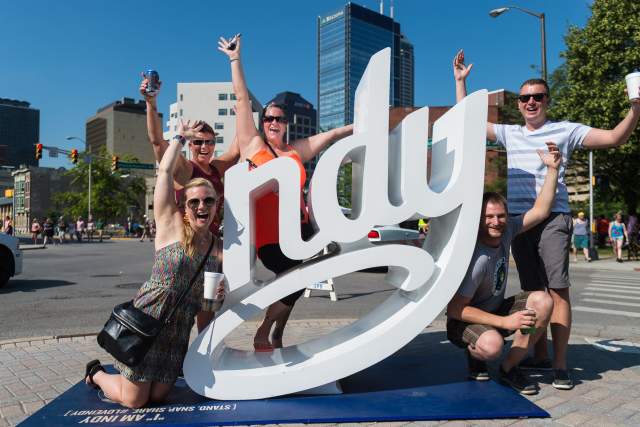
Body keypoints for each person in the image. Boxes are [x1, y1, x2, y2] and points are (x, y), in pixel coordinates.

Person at [454, 49, 640, 390]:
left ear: (547, 101)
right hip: (520, 221)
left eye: (537, 97)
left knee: (557, 291)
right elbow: (467, 122)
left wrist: (635, 109)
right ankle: (536, 354)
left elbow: (615, 138)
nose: (530, 102)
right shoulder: (511, 133)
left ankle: (560, 365)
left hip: (552, 217)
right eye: (524, 98)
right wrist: (461, 84)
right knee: (532, 291)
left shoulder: (566, 131)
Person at [219, 35, 353, 351]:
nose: (273, 122)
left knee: (298, 281)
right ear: (262, 123)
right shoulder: (254, 145)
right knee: (294, 279)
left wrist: (358, 127)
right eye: (268, 118)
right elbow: (241, 99)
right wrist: (235, 60)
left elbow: (331, 134)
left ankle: (276, 333)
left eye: (279, 119)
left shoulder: (294, 152)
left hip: (301, 230)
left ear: (286, 124)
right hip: (269, 235)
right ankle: (265, 331)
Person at [84, 120, 225, 409]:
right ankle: (96, 373)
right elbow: (164, 171)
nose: (202, 207)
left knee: (159, 397)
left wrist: (216, 302)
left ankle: (125, 379)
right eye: (194, 202)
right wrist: (179, 138)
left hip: (178, 331)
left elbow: (206, 307)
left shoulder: (217, 248)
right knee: (134, 400)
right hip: (148, 321)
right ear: (184, 207)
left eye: (208, 201)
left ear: (216, 205)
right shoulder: (170, 225)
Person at [447, 143, 560, 395]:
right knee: (491, 345)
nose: (495, 222)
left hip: (495, 310)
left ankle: (509, 368)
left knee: (542, 300)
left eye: (500, 215)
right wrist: (504, 321)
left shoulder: (507, 230)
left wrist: (552, 170)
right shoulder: (476, 257)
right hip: (462, 321)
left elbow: (541, 210)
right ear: (478, 219)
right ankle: (475, 354)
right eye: (488, 217)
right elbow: (455, 308)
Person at [140, 74, 240, 235]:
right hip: (187, 244)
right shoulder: (185, 168)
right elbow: (158, 142)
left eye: (209, 142)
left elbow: (236, 150)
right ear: (190, 144)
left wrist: (242, 115)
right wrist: (151, 102)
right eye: (198, 142)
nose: (204, 147)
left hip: (211, 244)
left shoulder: (215, 168)